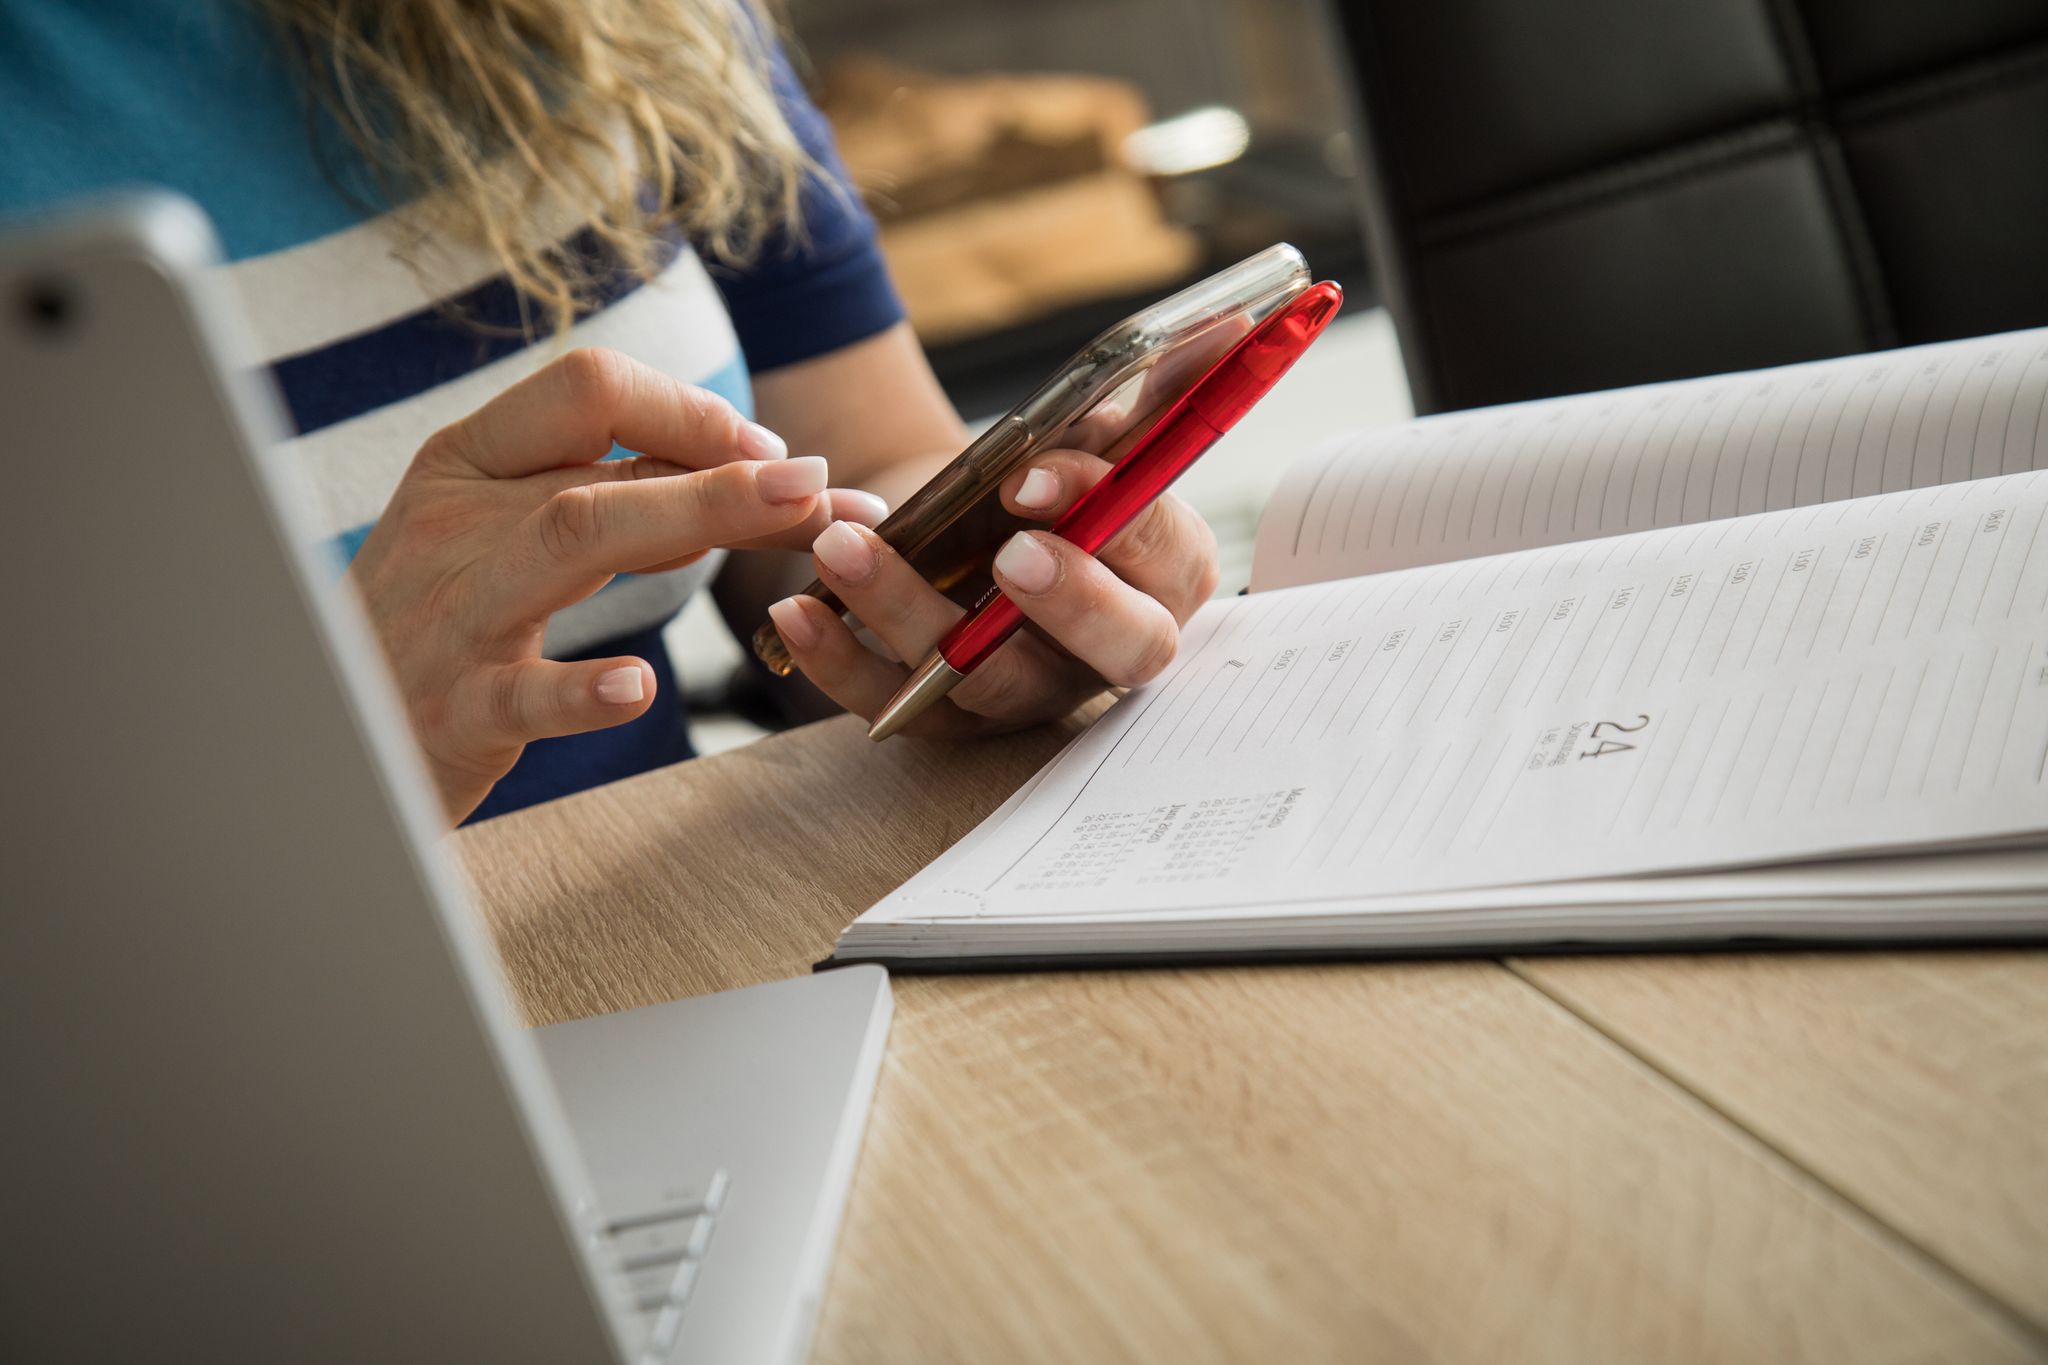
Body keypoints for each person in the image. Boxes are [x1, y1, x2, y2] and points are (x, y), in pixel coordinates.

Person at [1, 0, 1220, 825]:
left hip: (669, 930)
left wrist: (969, 578)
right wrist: (311, 760)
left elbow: (868, 450)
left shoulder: (626, 20)